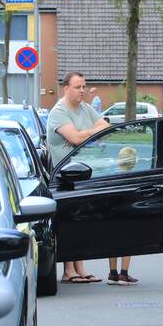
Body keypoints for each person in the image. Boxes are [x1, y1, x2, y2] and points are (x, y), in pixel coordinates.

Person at [49, 71, 110, 284]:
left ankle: (81, 268)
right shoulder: (59, 112)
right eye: (77, 87)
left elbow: (106, 128)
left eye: (84, 86)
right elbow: (74, 138)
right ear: (66, 88)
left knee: (81, 221)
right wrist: (90, 131)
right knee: (67, 222)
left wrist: (84, 131)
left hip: (83, 173)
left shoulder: (85, 108)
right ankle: (68, 270)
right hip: (64, 177)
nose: (82, 91)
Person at [107, 146, 139, 286]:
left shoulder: (112, 175)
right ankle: (124, 274)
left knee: (112, 244)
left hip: (113, 215)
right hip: (127, 216)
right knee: (127, 244)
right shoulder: (134, 178)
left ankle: (112, 273)